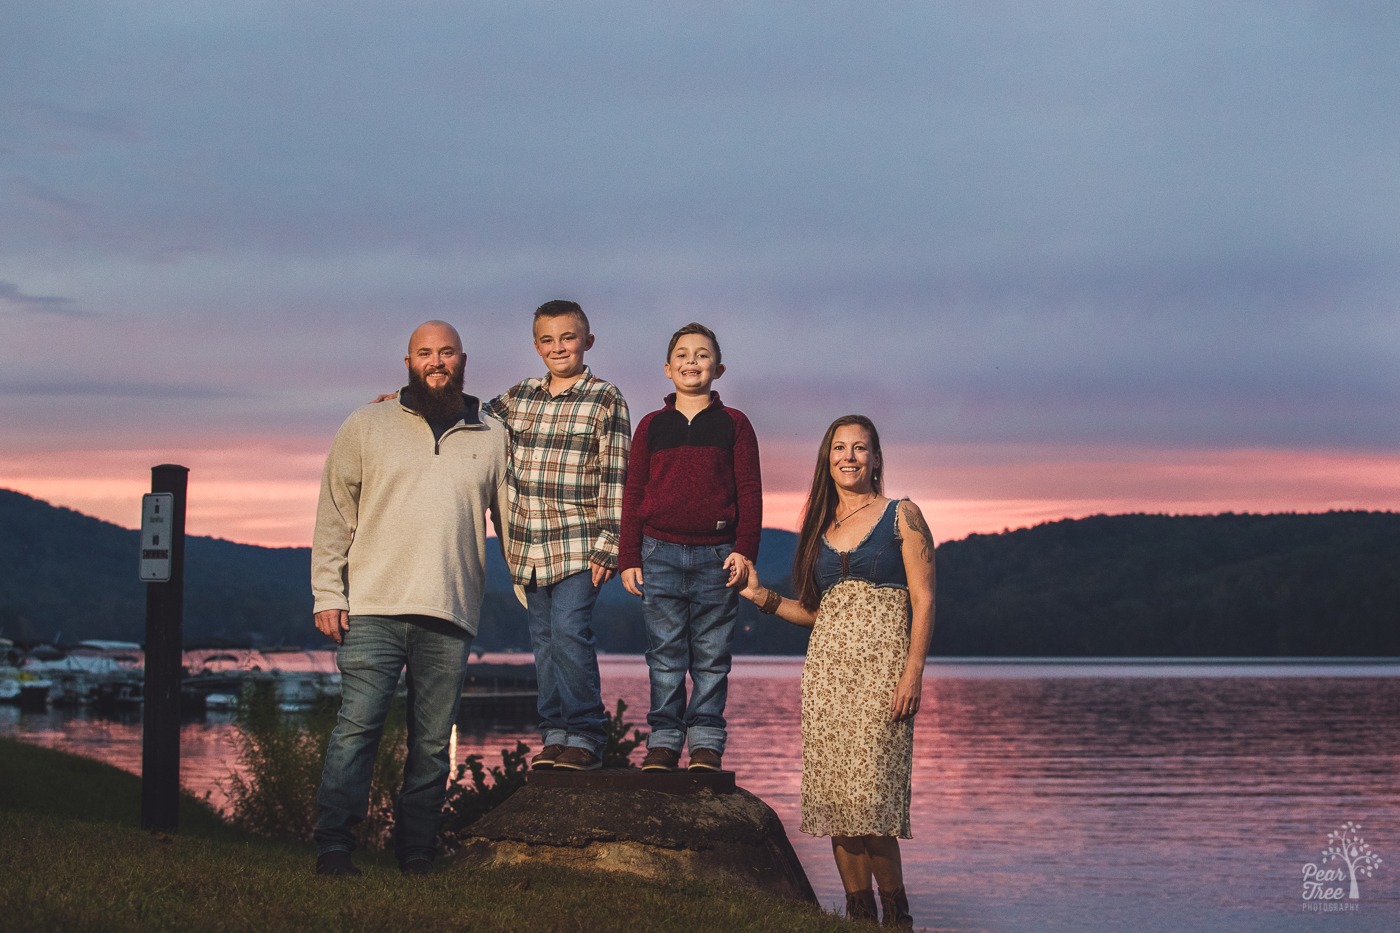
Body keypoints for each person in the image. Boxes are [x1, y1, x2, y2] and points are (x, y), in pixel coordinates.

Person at [310, 320, 508, 876]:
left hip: (450, 610)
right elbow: (334, 513)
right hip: (372, 605)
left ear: (463, 359)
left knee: (430, 744)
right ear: (408, 361)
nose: (436, 361)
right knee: (357, 727)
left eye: (446, 352)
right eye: (426, 353)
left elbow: (511, 522)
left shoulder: (493, 433)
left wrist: (532, 585)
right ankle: (334, 845)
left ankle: (417, 849)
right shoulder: (367, 424)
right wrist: (328, 591)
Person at [739, 414, 934, 929]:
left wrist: (912, 672)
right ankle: (856, 919)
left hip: (883, 679)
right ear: (828, 460)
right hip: (827, 680)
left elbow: (925, 598)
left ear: (875, 459)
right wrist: (762, 597)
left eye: (860, 448)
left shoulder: (902, 515)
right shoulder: (819, 530)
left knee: (873, 806)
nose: (849, 457)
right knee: (837, 808)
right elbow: (814, 611)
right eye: (840, 448)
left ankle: (897, 919)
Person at [483, 300, 631, 772]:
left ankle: (586, 734)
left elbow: (617, 475)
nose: (558, 347)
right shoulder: (519, 396)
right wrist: (404, 402)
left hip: (579, 544)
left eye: (568, 338)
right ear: (536, 346)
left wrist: (612, 544)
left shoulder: (606, 398)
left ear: (587, 341)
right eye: (547, 340)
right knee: (544, 640)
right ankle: (554, 735)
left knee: (570, 632)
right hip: (528, 545)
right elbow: (470, 420)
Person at [619, 323, 762, 773]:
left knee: (711, 654)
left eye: (702, 356)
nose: (692, 362)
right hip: (657, 552)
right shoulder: (651, 426)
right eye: (682, 354)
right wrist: (628, 557)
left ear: (718, 368)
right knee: (664, 654)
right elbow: (633, 492)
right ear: (667, 368)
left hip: (717, 556)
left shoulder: (734, 425)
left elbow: (750, 492)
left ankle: (705, 742)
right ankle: (663, 739)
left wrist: (745, 550)